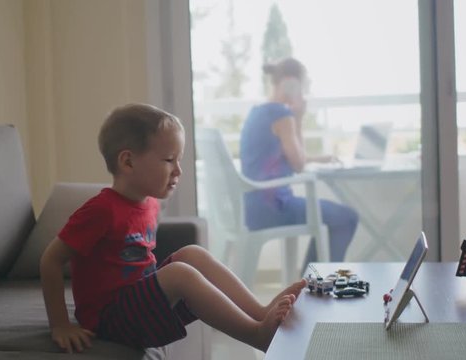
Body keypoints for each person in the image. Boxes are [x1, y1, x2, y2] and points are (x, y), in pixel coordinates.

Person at [40, 103, 306, 354]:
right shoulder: (101, 210)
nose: (178, 170)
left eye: (178, 160)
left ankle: (257, 312)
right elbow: (51, 260)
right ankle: (256, 335)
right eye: (169, 160)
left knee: (192, 254)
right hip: (107, 318)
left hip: (136, 305)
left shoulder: (150, 204)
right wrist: (60, 325)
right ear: (128, 162)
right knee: (179, 273)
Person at [240, 57, 359, 269]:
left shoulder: (258, 111)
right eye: (302, 85)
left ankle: (309, 282)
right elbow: (298, 165)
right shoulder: (282, 114)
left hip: (254, 207)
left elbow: (279, 155)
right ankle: (312, 286)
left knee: (336, 217)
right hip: (275, 207)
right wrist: (299, 117)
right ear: (292, 84)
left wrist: (316, 158)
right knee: (346, 218)